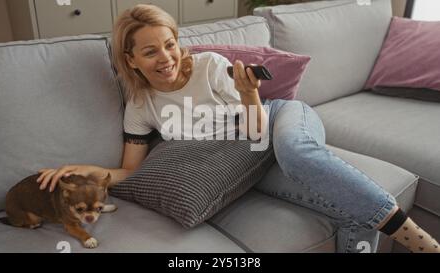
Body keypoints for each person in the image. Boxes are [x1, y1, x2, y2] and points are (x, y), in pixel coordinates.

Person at [36, 4, 439, 253]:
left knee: (298, 156)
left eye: (170, 44)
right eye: (150, 51)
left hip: (276, 117)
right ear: (131, 59)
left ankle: (422, 243)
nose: (166, 57)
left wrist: (249, 95)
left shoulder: (209, 66)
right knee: (342, 206)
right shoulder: (140, 106)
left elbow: (256, 130)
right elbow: (131, 172)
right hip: (241, 157)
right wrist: (81, 169)